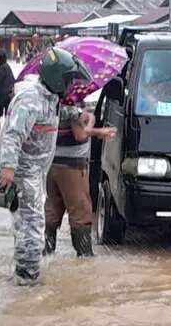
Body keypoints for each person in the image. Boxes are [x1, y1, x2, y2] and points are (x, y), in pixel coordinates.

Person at [0, 47, 90, 286]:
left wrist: (75, 112)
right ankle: (27, 280)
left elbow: (52, 111)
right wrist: (8, 168)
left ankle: (24, 273)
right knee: (33, 226)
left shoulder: (48, 96)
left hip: (32, 171)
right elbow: (13, 134)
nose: (70, 85)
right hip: (22, 173)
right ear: (56, 78)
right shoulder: (30, 98)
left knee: (28, 224)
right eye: (68, 80)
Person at [44, 87, 116, 258]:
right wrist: (95, 125)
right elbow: (80, 135)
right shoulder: (70, 104)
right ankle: (84, 257)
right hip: (72, 166)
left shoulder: (51, 100)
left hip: (52, 163)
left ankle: (45, 253)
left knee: (52, 209)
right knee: (81, 212)